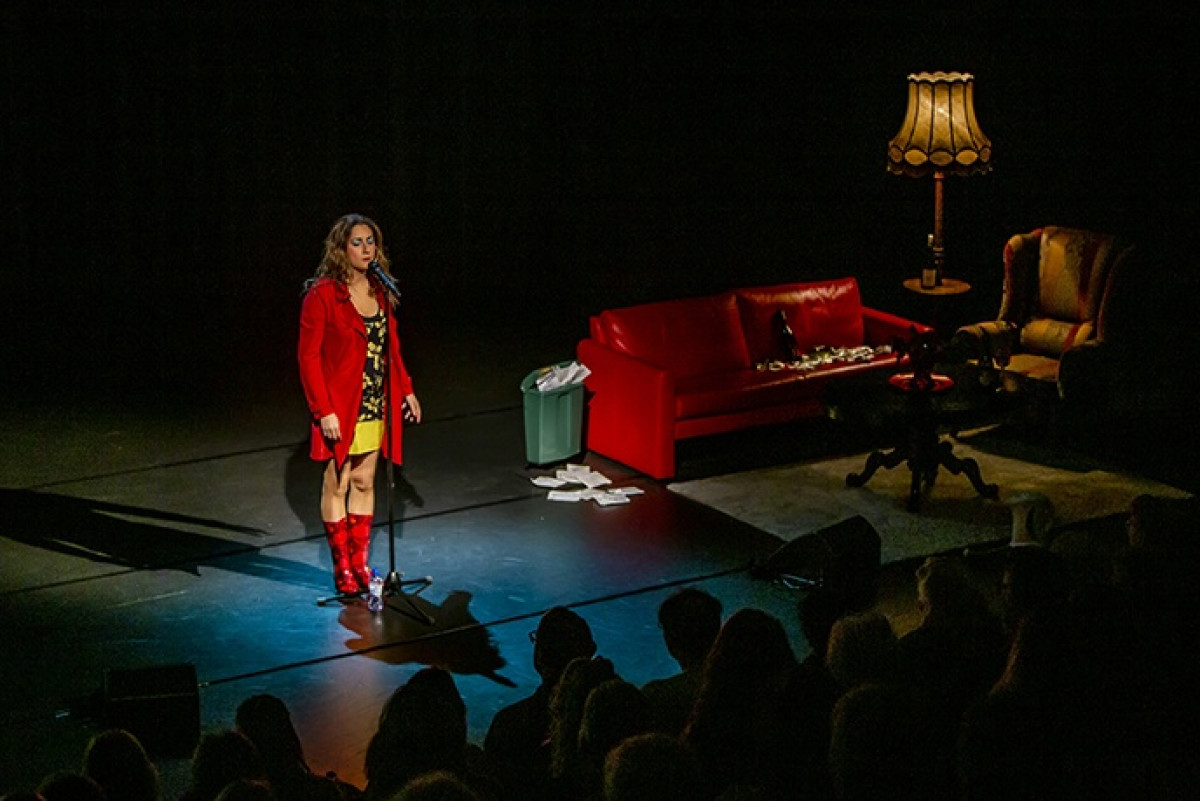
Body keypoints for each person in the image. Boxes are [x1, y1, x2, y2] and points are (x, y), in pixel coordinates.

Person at [298, 213, 422, 594]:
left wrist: (406, 390)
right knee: (337, 481)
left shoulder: (380, 291)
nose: (366, 249)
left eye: (371, 242)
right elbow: (308, 358)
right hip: (340, 405)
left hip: (374, 401)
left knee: (365, 480)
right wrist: (323, 411)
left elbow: (391, 349)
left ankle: (360, 564)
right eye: (357, 242)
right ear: (341, 248)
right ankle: (342, 569)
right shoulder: (322, 295)